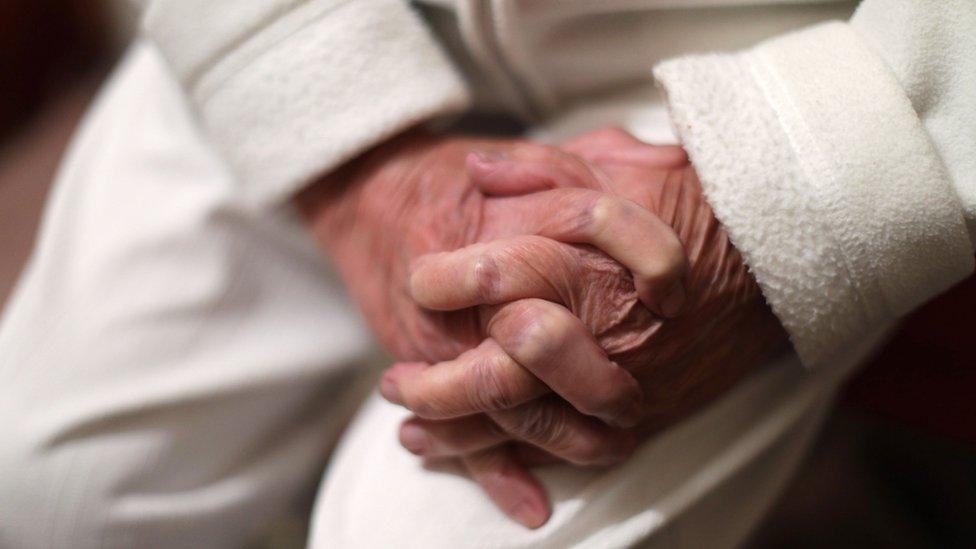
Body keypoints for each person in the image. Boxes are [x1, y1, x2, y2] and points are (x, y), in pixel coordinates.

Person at [0, 0, 972, 548]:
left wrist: (792, 195)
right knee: (46, 487)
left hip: (757, 52)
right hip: (322, 22)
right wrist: (350, 171)